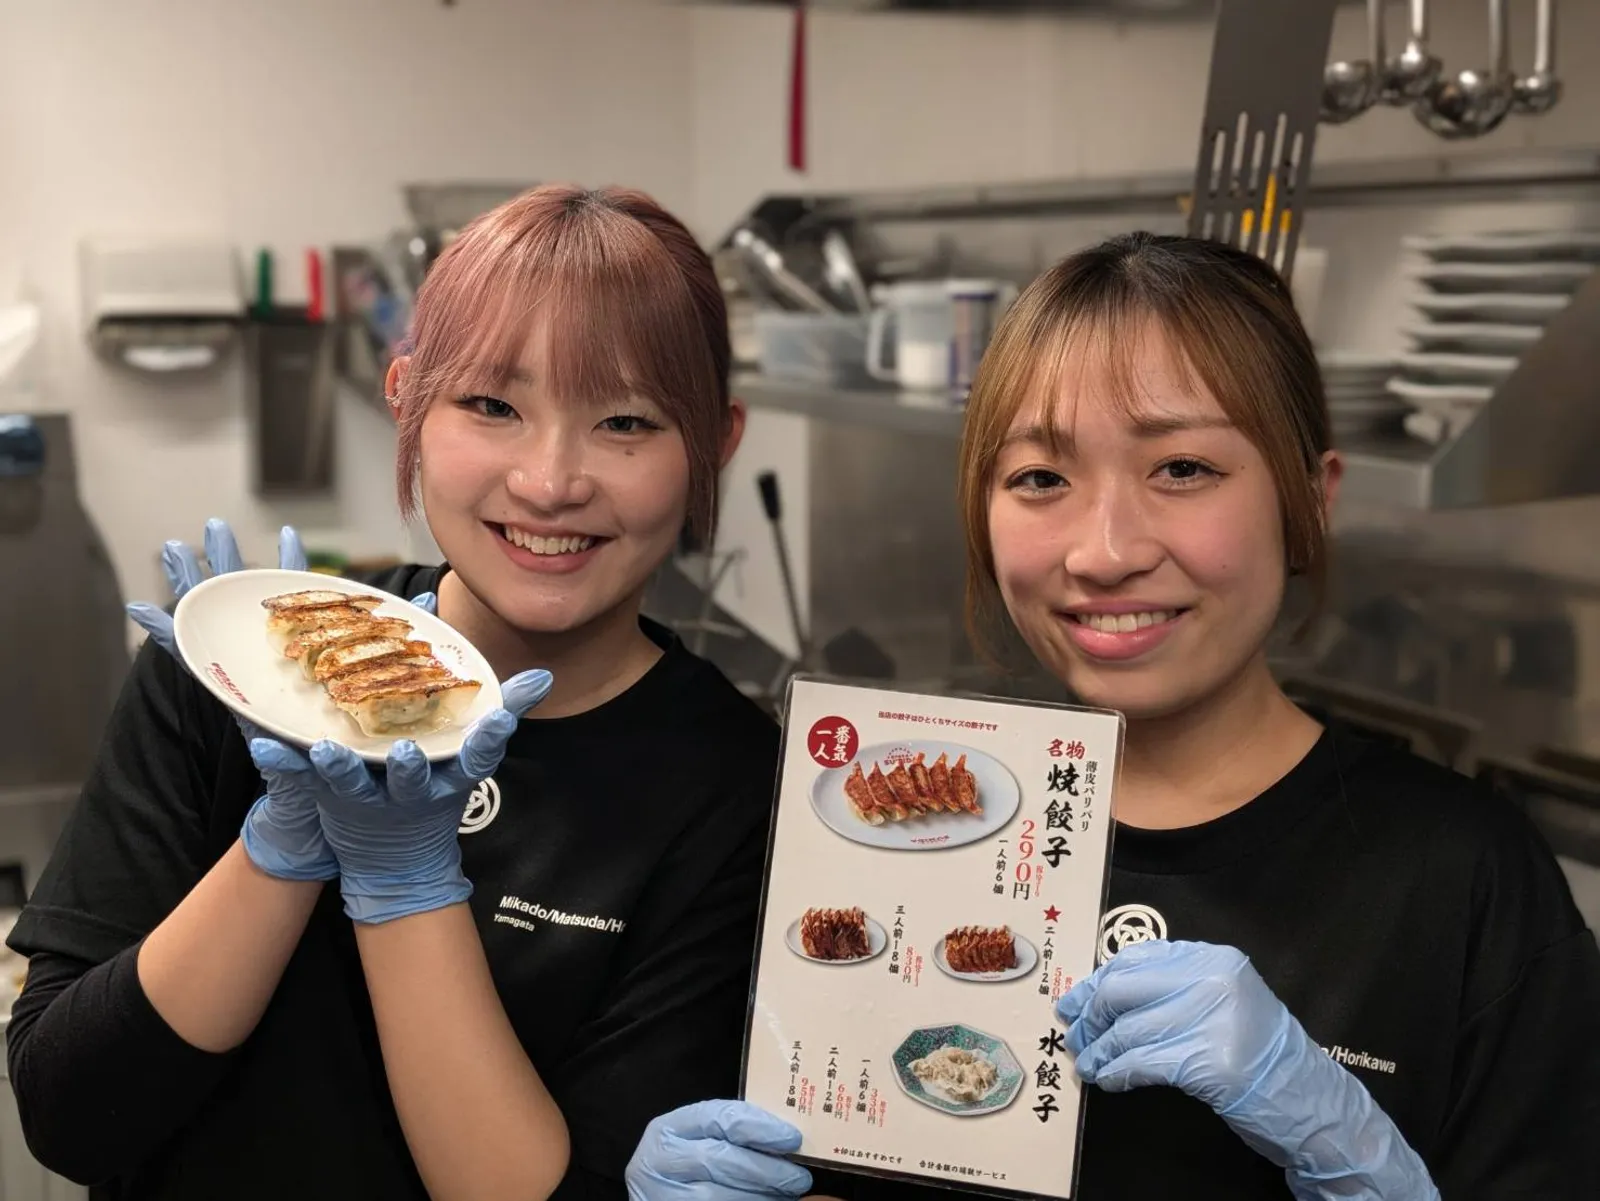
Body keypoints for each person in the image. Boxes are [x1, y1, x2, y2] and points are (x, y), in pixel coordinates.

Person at [623, 233, 1600, 1201]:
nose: (1104, 551)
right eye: (1040, 478)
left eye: (1181, 468)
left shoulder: (1463, 877)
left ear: (1310, 498)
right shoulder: (881, 845)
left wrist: (1356, 1161)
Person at [5, 184, 781, 1201]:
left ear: (715, 443)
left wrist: (407, 880)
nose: (550, 481)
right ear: (406, 395)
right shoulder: (245, 669)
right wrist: (278, 851)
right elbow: (69, 1117)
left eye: (624, 420)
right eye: (491, 405)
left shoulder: (729, 782)